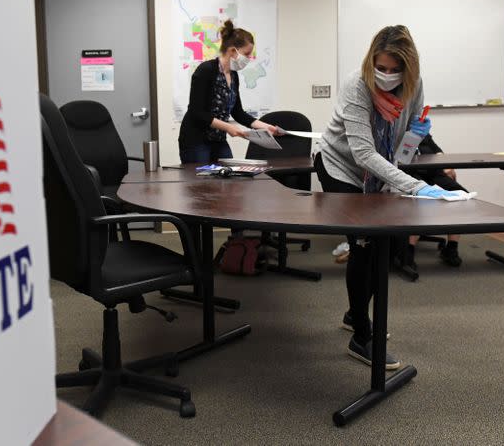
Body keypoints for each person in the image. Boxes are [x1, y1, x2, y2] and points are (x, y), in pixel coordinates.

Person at [314, 25, 463, 370]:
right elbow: (363, 154)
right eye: (382, 67)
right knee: (363, 243)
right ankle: (362, 336)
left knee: (381, 243)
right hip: (340, 165)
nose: (388, 75)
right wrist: (414, 186)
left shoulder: (415, 84)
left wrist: (413, 138)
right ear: (371, 61)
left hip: (378, 169)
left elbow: (403, 145)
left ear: (408, 68)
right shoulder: (356, 85)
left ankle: (354, 314)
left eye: (396, 70)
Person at [179, 20, 281, 164]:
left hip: (218, 139)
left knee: (229, 177)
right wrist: (228, 128)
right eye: (247, 54)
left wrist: (265, 127)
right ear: (233, 51)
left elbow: (238, 112)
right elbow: (197, 112)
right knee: (200, 184)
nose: (249, 59)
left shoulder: (233, 76)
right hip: (196, 140)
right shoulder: (206, 70)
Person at [401, 134, 466, 270]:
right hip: (411, 174)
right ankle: (408, 252)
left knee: (459, 197)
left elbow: (436, 149)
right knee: (420, 202)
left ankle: (451, 249)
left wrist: (447, 166)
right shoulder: (395, 126)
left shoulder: (419, 127)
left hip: (434, 173)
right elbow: (402, 156)